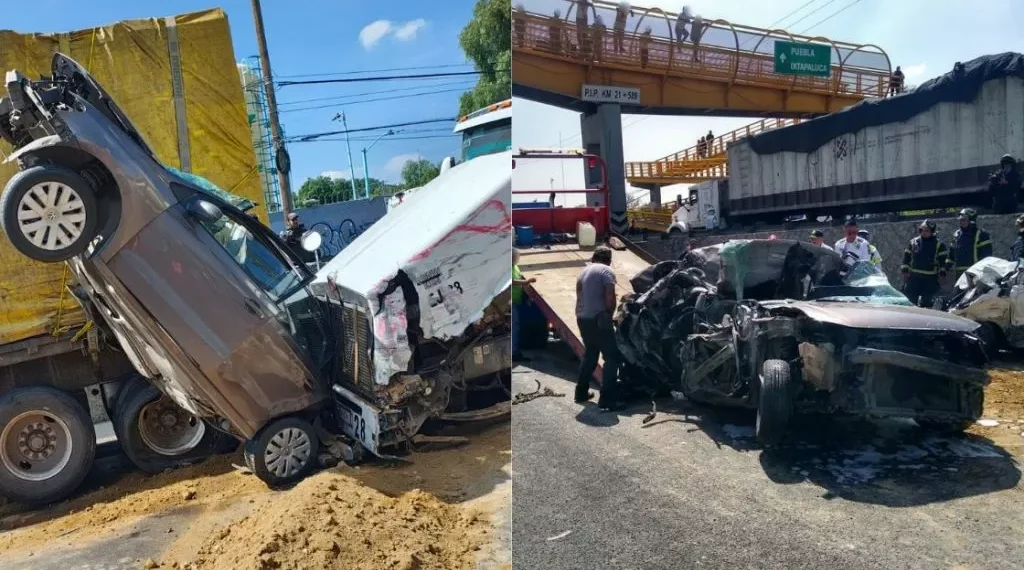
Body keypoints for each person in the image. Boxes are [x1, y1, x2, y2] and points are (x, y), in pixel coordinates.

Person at [575, 246, 624, 411]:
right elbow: (610, 297)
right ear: (608, 260)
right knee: (612, 357)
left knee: (590, 354)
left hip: (582, 318)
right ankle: (607, 400)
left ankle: (580, 393)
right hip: (599, 319)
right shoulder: (606, 271)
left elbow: (579, 295)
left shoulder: (584, 271)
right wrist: (609, 316)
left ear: (593, 257)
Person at [900, 219, 949, 308]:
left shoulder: (939, 245)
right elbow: (906, 258)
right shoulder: (914, 242)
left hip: (930, 278)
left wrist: (942, 275)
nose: (923, 232)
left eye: (926, 230)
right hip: (914, 277)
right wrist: (905, 272)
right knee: (910, 301)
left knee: (928, 303)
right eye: (922, 230)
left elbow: (943, 262)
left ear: (932, 231)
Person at [947, 208, 993, 277]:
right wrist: (945, 268)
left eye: (963, 220)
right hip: (960, 275)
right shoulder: (957, 235)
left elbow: (986, 257)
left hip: (975, 273)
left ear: (971, 221)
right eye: (960, 220)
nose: (961, 222)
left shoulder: (981, 235)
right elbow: (951, 256)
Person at [511, 249, 536, 362]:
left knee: (515, 327)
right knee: (514, 328)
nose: (517, 259)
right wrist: (526, 282)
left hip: (516, 300)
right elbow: (512, 281)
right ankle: (514, 353)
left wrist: (528, 295)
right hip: (509, 302)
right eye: (516, 257)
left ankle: (514, 351)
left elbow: (520, 278)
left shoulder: (515, 267)